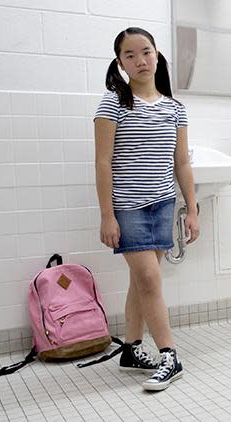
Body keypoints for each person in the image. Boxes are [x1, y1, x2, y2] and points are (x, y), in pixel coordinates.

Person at [94, 27, 199, 392]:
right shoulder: (113, 103)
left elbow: (182, 163)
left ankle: (131, 350)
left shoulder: (175, 108)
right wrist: (107, 215)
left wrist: (192, 209)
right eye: (130, 55)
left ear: (157, 55)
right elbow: (103, 162)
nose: (140, 60)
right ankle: (170, 355)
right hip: (129, 207)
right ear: (120, 63)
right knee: (151, 280)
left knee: (142, 282)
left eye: (146, 52)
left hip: (163, 204)